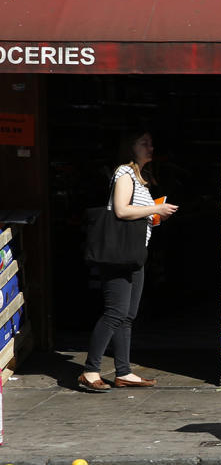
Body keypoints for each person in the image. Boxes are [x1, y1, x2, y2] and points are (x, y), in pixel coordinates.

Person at [78, 131, 179, 392]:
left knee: (128, 316)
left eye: (151, 142)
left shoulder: (140, 178)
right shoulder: (124, 173)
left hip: (134, 254)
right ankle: (90, 370)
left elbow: (135, 213)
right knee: (115, 313)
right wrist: (155, 209)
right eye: (144, 142)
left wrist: (154, 216)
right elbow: (121, 210)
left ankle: (123, 371)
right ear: (130, 147)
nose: (151, 146)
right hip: (117, 256)